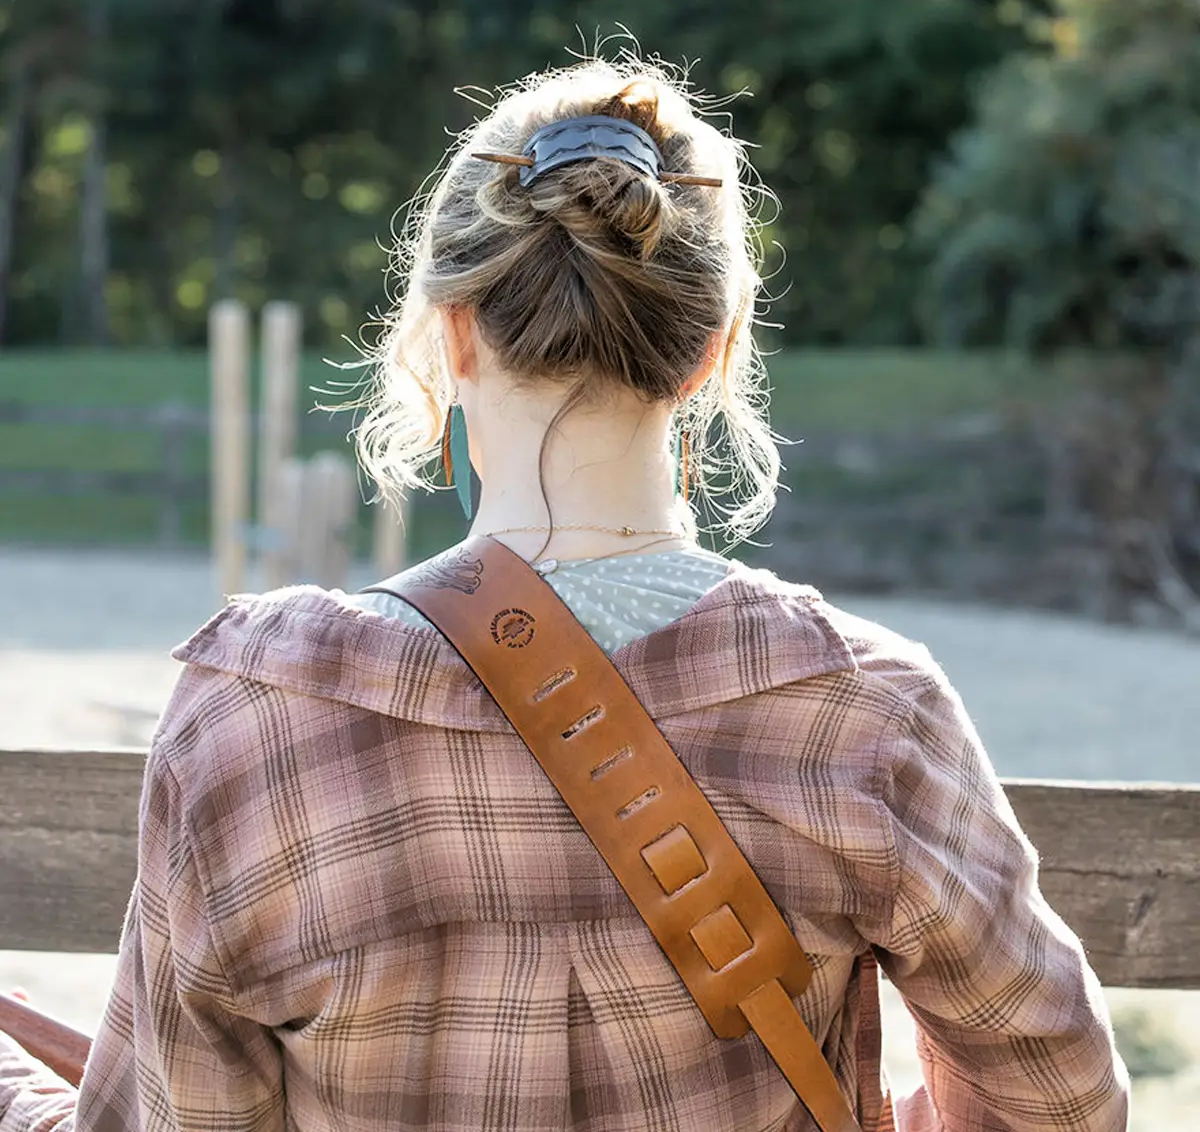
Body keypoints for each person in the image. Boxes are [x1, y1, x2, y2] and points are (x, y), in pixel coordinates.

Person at [0, 56, 1129, 1131]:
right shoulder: (862, 709)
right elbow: (1063, 1100)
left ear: (449, 336)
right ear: (714, 354)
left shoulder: (254, 716)